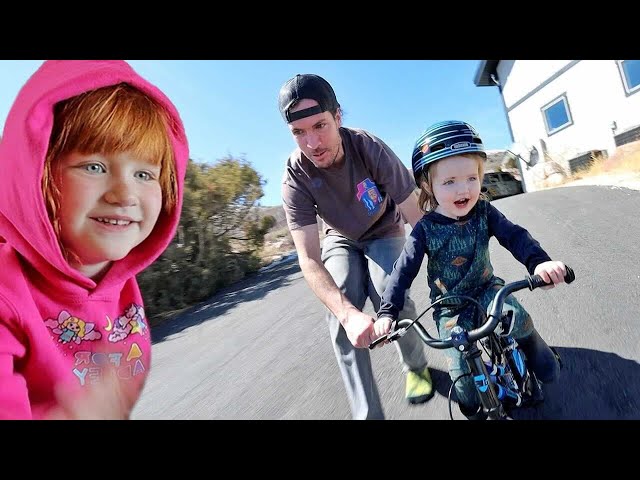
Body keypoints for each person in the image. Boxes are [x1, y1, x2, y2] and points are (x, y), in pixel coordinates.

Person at [0, 60, 188, 419]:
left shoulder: (117, 279)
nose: (124, 194)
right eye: (94, 167)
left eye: (145, 173)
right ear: (37, 174)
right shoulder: (7, 296)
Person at [375, 120, 565, 420]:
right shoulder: (425, 230)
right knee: (462, 378)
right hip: (449, 307)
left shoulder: (484, 212)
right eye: (448, 182)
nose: (463, 189)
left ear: (480, 176)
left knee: (517, 318)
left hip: (489, 290)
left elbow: (514, 236)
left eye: (471, 178)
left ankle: (543, 358)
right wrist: (388, 312)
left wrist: (539, 262)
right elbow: (402, 271)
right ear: (428, 185)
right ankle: (471, 394)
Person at [278, 73, 433, 420]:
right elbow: (309, 259)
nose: (312, 143)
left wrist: (446, 266)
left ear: (338, 117)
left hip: (384, 227)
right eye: (299, 132)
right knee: (341, 303)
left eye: (320, 126)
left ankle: (415, 366)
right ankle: (367, 413)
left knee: (390, 290)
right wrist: (347, 314)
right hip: (340, 238)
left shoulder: (368, 147)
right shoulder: (295, 176)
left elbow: (415, 215)